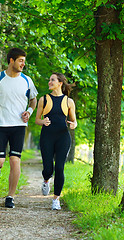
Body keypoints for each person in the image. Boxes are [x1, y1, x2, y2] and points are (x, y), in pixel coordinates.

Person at [0, 48, 38, 208]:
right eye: (20, 61)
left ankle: (10, 197)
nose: (23, 64)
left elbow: (33, 100)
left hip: (19, 126)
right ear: (11, 60)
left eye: (24, 62)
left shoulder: (27, 80)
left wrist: (29, 111)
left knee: (15, 160)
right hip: (0, 124)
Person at [35, 72, 77, 210]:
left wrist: (73, 124)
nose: (49, 82)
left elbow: (74, 121)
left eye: (52, 80)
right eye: (49, 80)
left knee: (59, 168)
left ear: (60, 83)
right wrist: (43, 121)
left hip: (63, 137)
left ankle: (56, 200)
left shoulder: (68, 101)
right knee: (48, 169)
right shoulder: (44, 99)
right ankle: (46, 180)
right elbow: (36, 120)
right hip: (47, 137)